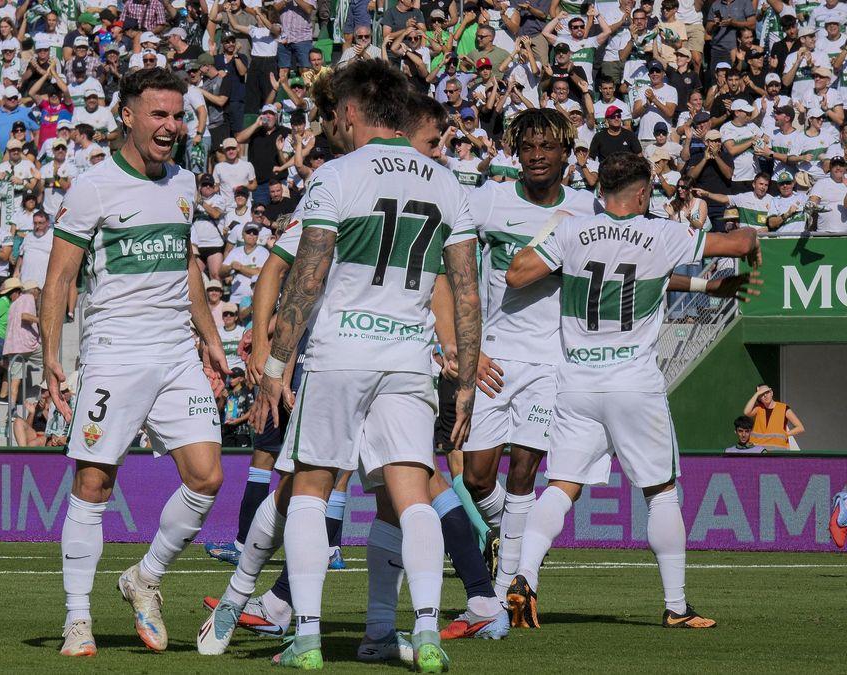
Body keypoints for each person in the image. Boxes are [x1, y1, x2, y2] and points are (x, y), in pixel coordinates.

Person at [251, 59, 479, 671]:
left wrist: (275, 364)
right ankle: (425, 630)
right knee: (414, 496)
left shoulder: (337, 174)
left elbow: (308, 274)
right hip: (407, 357)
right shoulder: (446, 183)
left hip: (339, 354)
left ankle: (305, 637)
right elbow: (465, 290)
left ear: (350, 112)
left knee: (310, 489)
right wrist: (464, 381)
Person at [503, 151, 762, 631]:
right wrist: (750, 243)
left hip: (577, 382)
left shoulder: (571, 229)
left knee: (561, 486)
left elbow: (516, 274)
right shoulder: (663, 234)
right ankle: (677, 606)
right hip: (633, 382)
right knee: (661, 491)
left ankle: (524, 577)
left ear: (601, 189)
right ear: (642, 193)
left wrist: (553, 239)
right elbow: (738, 240)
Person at [40, 68, 228, 658]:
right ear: (128, 116)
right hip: (115, 352)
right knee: (94, 482)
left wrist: (210, 336)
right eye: (159, 114)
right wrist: (51, 357)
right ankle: (77, 619)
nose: (171, 126)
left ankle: (145, 576)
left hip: (175, 351)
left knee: (207, 477)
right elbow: (59, 278)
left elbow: (187, 263)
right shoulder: (92, 187)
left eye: (177, 115)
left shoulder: (183, 181)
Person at [459, 108, 599, 605]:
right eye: (528, 147)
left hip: (551, 360)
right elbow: (451, 264)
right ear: (516, 153)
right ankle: (509, 535)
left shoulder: (587, 208)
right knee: (475, 476)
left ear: (566, 153)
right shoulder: (488, 200)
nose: (537, 156)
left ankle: (504, 593)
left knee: (523, 471)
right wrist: (466, 348)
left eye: (547, 147)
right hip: (493, 357)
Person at [742, 384, 804, 451]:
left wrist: (785, 434)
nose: (765, 395)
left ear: (771, 393)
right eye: (761, 394)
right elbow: (746, 412)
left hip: (777, 451)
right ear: (759, 398)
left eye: (767, 392)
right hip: (758, 451)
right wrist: (756, 394)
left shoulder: (783, 408)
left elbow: (800, 428)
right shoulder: (758, 408)